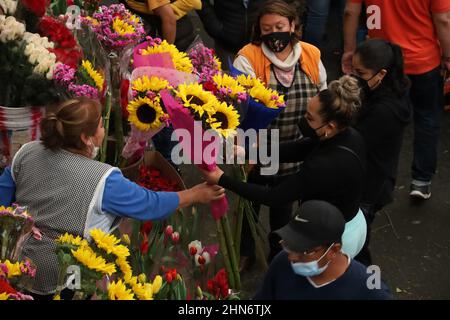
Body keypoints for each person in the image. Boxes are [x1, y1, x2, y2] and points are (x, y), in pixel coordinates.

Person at [0, 98, 225, 299]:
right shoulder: (103, 179)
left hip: (13, 263)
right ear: (86, 138)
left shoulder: (28, 152)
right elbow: (151, 205)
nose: (103, 128)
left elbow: (3, 193)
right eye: (99, 125)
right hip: (62, 276)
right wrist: (195, 194)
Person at [201, 76, 368, 264]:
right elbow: (298, 148)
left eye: (310, 118)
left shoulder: (323, 166)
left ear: (330, 126)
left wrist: (222, 179)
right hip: (352, 220)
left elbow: (274, 196)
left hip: (336, 238)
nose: (304, 120)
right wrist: (250, 152)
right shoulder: (348, 135)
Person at [230, 0, 328, 270]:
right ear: (258, 31)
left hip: (296, 147)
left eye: (280, 26)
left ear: (293, 25)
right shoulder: (247, 58)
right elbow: (239, 106)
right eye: (267, 28)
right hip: (259, 148)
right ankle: (245, 252)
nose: (274, 33)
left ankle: (279, 256)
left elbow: (323, 93)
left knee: (283, 207)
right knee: (251, 202)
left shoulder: (311, 55)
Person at [342, 0, 450, 200]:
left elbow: (350, 11)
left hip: (382, 63)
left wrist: (350, 51)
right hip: (424, 60)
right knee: (427, 119)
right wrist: (448, 56)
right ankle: (421, 180)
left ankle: (378, 182)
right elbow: (443, 19)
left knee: (383, 121)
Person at [350, 39, 412, 266]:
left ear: (381, 74)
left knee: (355, 246)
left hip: (368, 188)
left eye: (360, 72)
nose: (354, 77)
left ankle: (367, 286)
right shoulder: (389, 93)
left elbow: (355, 141)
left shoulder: (385, 111)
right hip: (374, 182)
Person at [253, 200, 392, 300]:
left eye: (305, 250)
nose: (292, 257)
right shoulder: (282, 263)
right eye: (289, 245)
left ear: (333, 250)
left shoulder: (371, 289)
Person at [197, 0, 267, 68]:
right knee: (227, 77)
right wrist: (214, 26)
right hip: (227, 45)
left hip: (260, 43)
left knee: (260, 78)